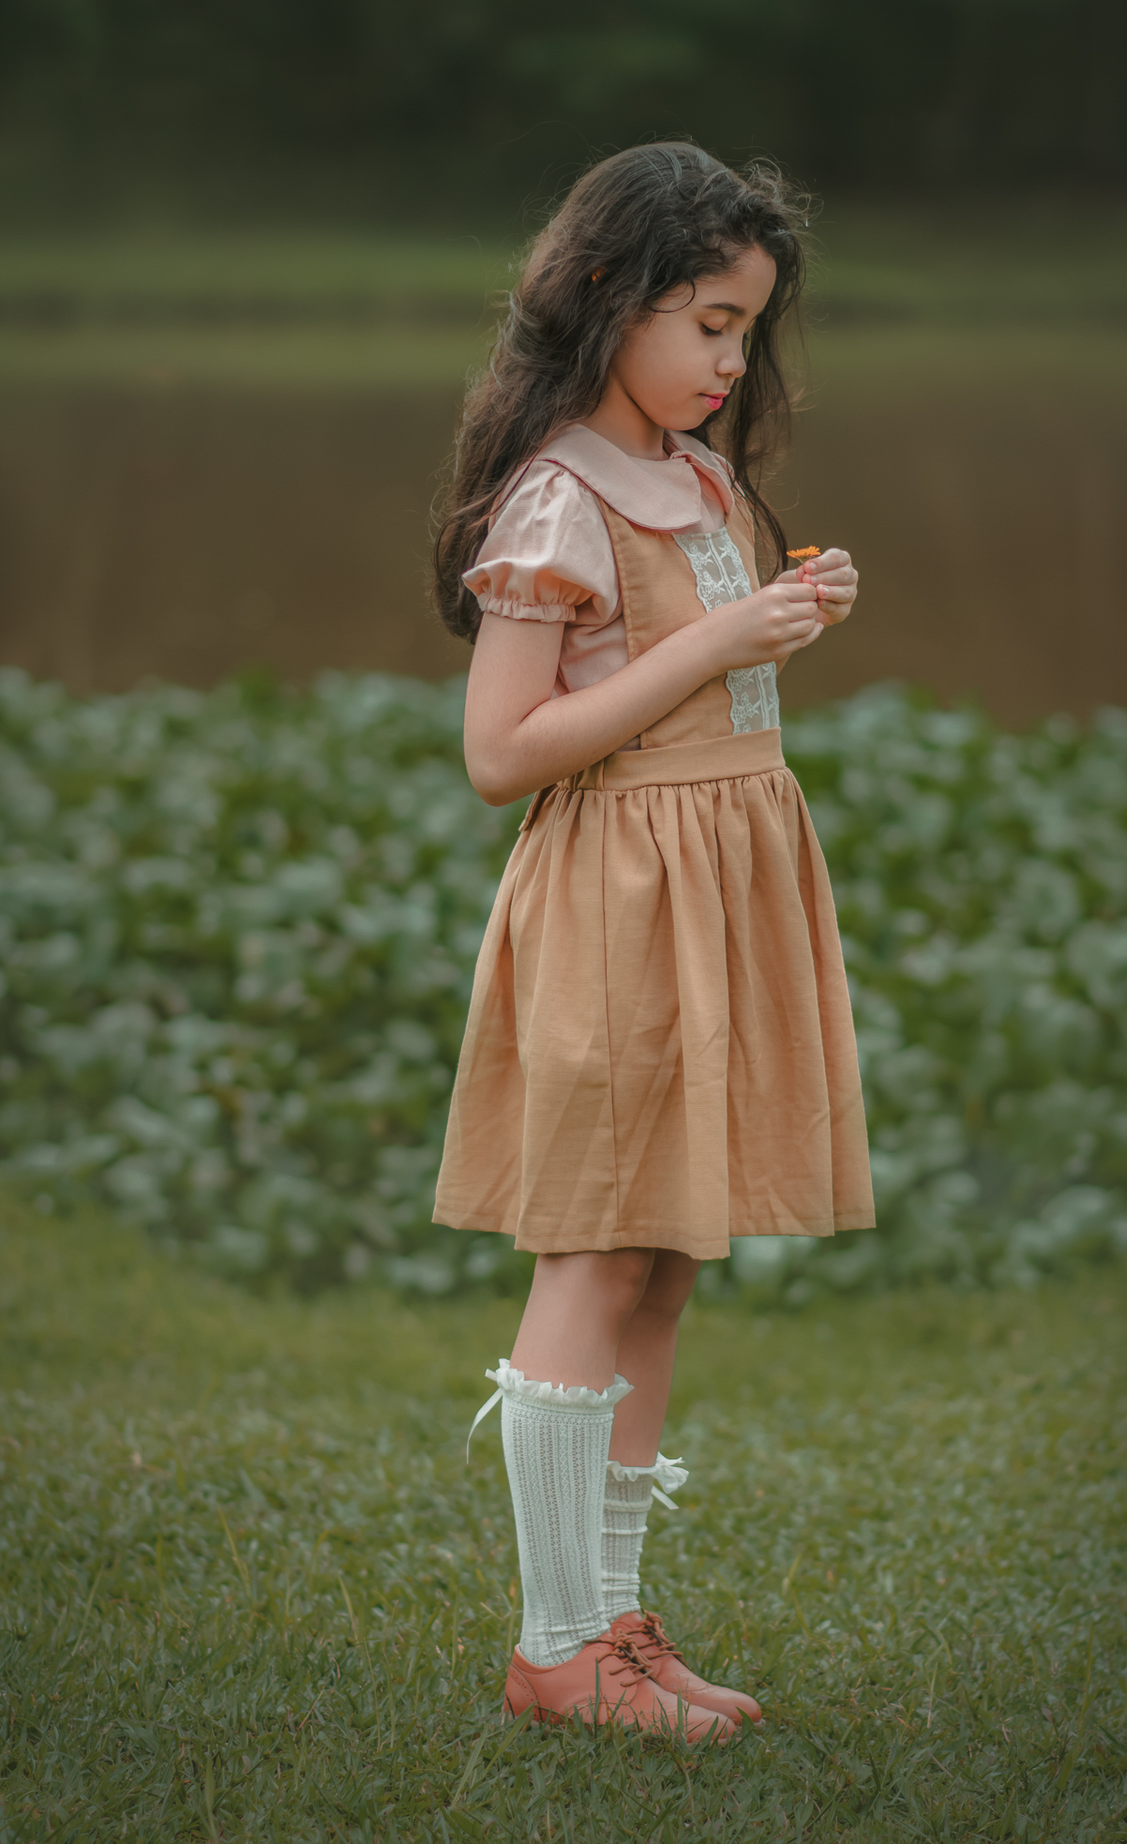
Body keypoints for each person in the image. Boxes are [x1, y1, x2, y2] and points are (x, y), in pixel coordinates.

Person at [429, 140, 874, 1741]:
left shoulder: (693, 476)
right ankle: (555, 1649)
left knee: (668, 1258)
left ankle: (615, 1626)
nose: (731, 361)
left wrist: (780, 614)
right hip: (619, 893)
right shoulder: (557, 490)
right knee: (597, 1244)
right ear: (604, 296)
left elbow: (694, 673)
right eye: (706, 322)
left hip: (721, 876)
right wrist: (720, 645)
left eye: (748, 329)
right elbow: (503, 751)